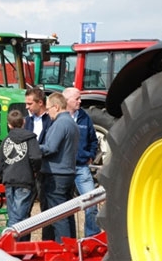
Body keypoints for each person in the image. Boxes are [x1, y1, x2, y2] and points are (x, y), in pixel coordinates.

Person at [39, 92, 80, 243]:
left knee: (58, 215)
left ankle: (63, 246)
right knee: (67, 212)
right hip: (68, 172)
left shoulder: (60, 124)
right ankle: (71, 244)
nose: (48, 112)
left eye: (48, 108)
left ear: (56, 107)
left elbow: (50, 148)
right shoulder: (71, 123)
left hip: (56, 174)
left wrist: (33, 148)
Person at [0, 109, 42, 241]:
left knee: (14, 215)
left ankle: (20, 247)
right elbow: (36, 157)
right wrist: (35, 170)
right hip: (25, 180)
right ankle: (12, 244)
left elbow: (0, 163)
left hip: (9, 181)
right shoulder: (31, 138)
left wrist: (3, 175)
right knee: (20, 218)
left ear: (9, 124)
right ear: (23, 122)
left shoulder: (6, 140)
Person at [63, 87, 101, 237]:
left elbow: (93, 139)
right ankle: (67, 237)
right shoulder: (58, 118)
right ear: (66, 101)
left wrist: (89, 155)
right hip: (63, 169)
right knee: (63, 207)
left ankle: (92, 237)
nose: (80, 101)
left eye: (80, 98)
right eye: (77, 99)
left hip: (81, 167)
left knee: (92, 203)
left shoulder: (84, 117)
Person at [24, 87, 54, 240]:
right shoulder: (27, 121)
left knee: (46, 208)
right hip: (29, 171)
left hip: (45, 170)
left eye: (29, 104)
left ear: (40, 103)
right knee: (25, 209)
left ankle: (47, 241)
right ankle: (24, 243)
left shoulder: (51, 121)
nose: (27, 107)